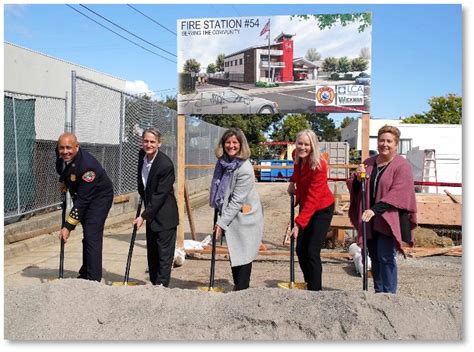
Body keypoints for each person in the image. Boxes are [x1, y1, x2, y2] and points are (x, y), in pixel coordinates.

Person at [347, 125, 417, 294]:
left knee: (386, 256)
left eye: (389, 141)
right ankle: (379, 292)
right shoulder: (369, 163)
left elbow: (398, 192)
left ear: (396, 144)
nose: (384, 144)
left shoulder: (402, 166)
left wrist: (375, 210)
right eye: (381, 140)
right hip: (369, 220)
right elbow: (355, 185)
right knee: (374, 257)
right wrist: (357, 178)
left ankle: (389, 295)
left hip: (388, 219)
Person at [210, 128, 264, 291]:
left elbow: (236, 201)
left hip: (245, 217)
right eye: (228, 142)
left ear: (241, 145)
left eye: (235, 142)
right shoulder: (223, 163)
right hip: (232, 214)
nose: (231, 146)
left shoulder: (244, 168)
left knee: (243, 254)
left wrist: (221, 223)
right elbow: (219, 186)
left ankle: (242, 290)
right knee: (235, 253)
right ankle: (239, 288)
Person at [56, 132, 114, 281]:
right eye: (61, 147)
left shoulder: (88, 168)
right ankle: (85, 272)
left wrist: (68, 226)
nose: (65, 151)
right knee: (88, 237)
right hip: (83, 195)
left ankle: (93, 280)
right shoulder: (61, 155)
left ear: (77, 147)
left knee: (92, 236)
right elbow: (63, 169)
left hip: (98, 199)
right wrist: (64, 181)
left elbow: (82, 202)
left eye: (69, 147)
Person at [287, 129, 335, 291]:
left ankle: (316, 291)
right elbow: (297, 170)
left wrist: (298, 224)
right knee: (300, 249)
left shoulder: (319, 165)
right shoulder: (296, 155)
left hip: (321, 208)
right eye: (300, 143)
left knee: (312, 250)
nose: (303, 147)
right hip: (307, 204)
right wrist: (292, 182)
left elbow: (314, 199)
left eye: (307, 144)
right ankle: (309, 282)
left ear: (313, 146)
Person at [133, 128, 178, 287]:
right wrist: (142, 196)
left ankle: (161, 290)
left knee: (164, 257)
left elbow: (160, 195)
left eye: (152, 141)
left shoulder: (165, 165)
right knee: (152, 255)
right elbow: (142, 182)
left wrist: (143, 216)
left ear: (159, 143)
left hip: (165, 216)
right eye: (146, 141)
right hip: (151, 214)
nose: (149, 144)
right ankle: (153, 286)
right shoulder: (141, 156)